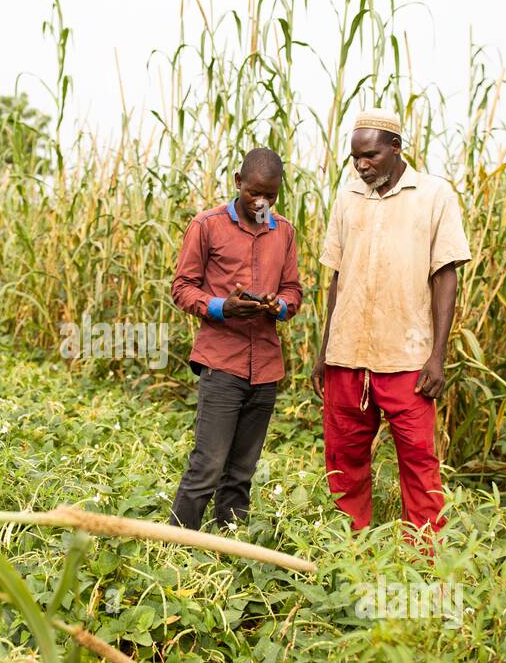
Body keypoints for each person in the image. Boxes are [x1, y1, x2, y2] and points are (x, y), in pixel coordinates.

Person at [312, 108, 471, 550]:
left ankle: (423, 556)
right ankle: (349, 549)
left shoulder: (434, 195)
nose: (361, 165)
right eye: (354, 158)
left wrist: (437, 357)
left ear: (396, 149)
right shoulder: (347, 196)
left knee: (419, 461)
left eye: (370, 156)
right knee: (344, 459)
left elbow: (446, 277)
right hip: (347, 355)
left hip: (406, 357)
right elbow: (337, 277)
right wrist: (324, 352)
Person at [168, 148, 303, 531]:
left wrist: (279, 306)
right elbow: (181, 287)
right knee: (207, 466)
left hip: (265, 367)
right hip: (221, 363)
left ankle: (228, 545)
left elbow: (293, 290)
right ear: (237, 182)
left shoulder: (285, 232)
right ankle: (175, 546)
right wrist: (221, 308)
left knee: (242, 470)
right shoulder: (207, 226)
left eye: (271, 196)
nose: (261, 202)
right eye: (254, 193)